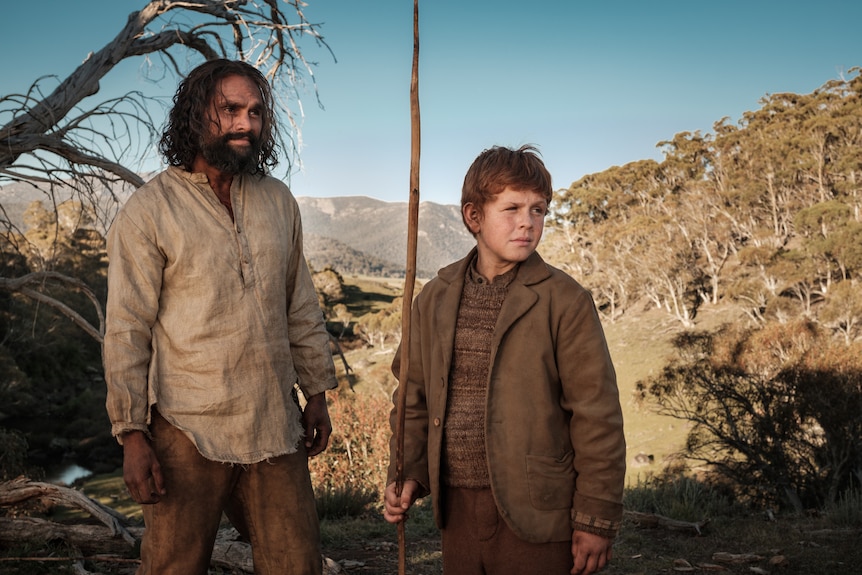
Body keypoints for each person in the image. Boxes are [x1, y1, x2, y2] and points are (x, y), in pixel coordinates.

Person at [103, 59, 337, 575]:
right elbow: (126, 329)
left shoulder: (278, 201)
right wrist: (132, 434)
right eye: (229, 109)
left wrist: (316, 393)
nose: (244, 124)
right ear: (194, 115)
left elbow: (300, 303)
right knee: (173, 567)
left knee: (298, 566)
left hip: (276, 424)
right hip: (187, 428)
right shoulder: (150, 210)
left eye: (254, 112)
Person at [383, 145, 626, 575]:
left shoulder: (564, 301)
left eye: (538, 211)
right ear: (473, 217)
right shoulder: (434, 299)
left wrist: (596, 517)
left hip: (538, 512)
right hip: (456, 511)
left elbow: (597, 415)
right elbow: (413, 397)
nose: (527, 223)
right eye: (511, 208)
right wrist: (407, 471)